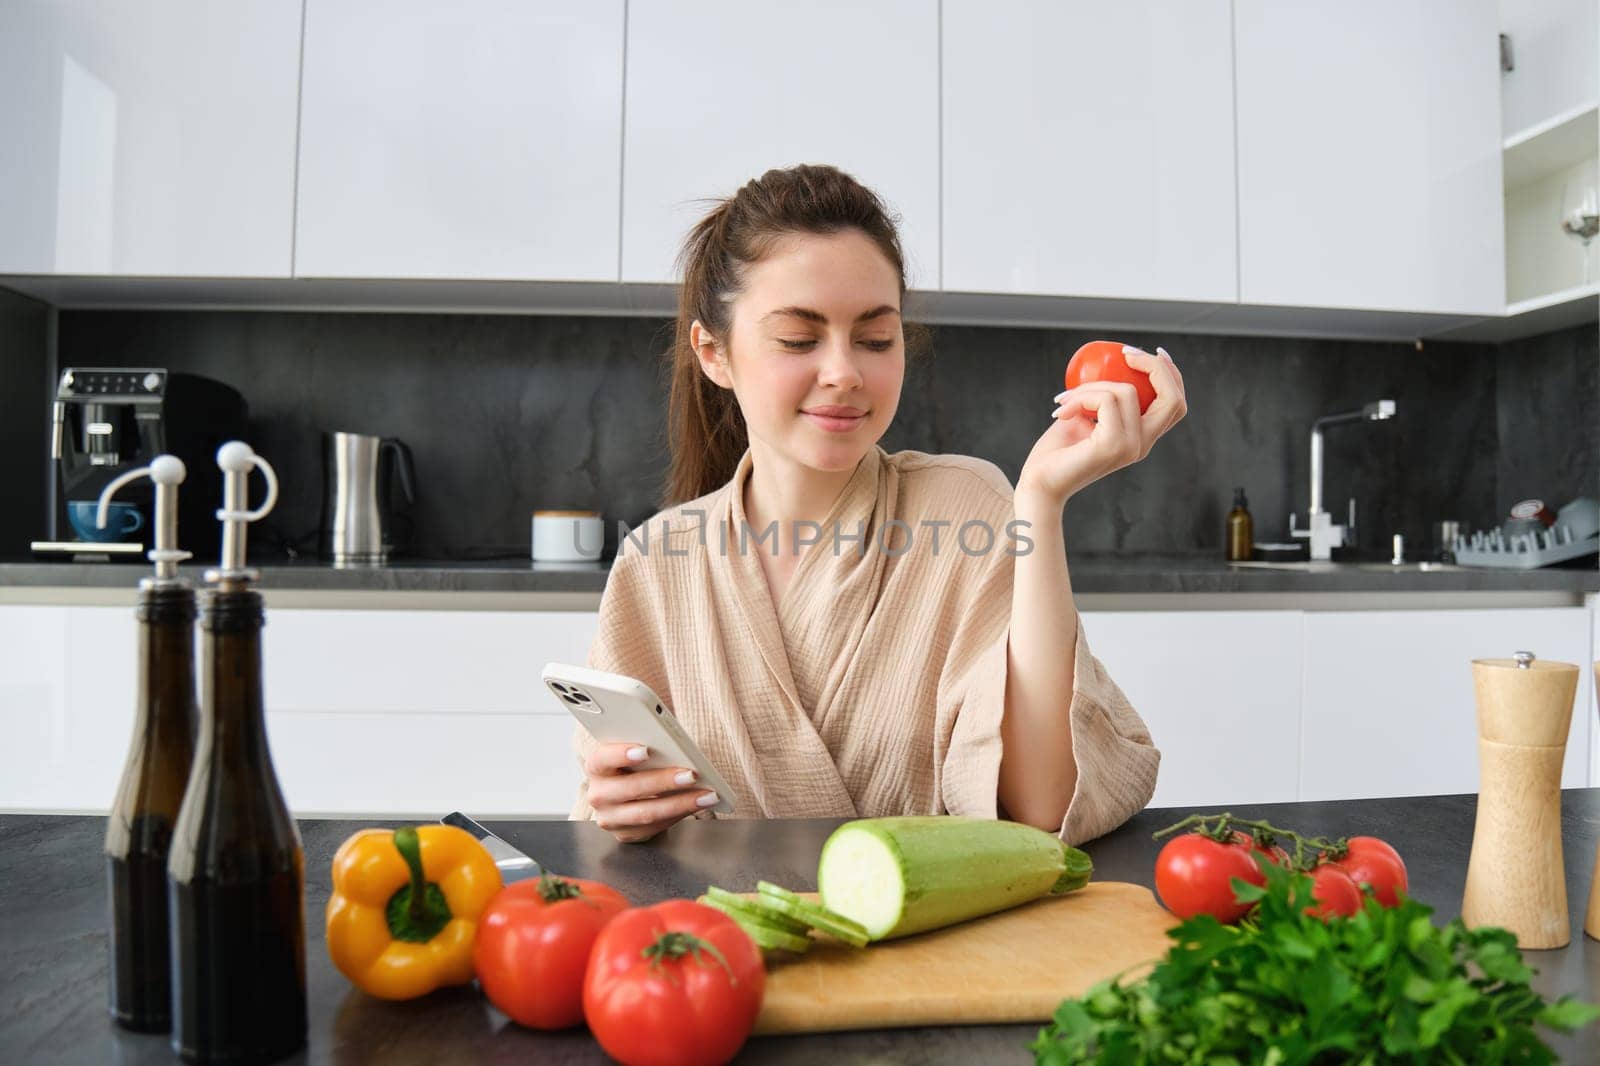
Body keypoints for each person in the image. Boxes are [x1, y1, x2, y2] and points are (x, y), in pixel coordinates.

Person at [570, 163, 1186, 845]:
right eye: (799, 339)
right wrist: (616, 806)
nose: (844, 372)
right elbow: (613, 821)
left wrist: (1040, 502)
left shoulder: (967, 508)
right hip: (728, 940)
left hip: (935, 940)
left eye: (874, 339)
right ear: (714, 353)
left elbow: (1043, 807)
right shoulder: (656, 560)